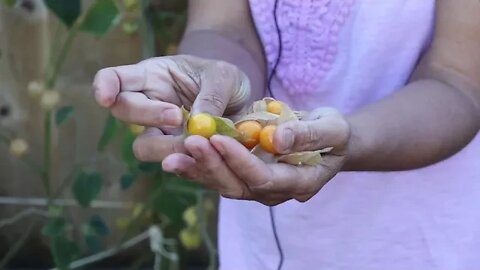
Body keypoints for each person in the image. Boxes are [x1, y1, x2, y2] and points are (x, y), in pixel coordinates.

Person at [93, 0, 480, 269]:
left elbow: (458, 81)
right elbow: (222, 26)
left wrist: (351, 140)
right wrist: (211, 79)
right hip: (260, 244)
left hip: (416, 241)